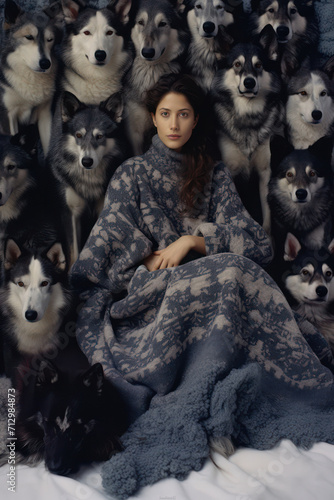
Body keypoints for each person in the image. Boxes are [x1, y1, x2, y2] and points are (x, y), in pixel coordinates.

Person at [69, 73, 334, 499]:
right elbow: (102, 250)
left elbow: (258, 245)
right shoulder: (131, 175)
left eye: (184, 114)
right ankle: (189, 396)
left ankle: (255, 387)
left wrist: (193, 240)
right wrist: (147, 254)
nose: (174, 124)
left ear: (195, 122)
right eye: (165, 114)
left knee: (234, 271)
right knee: (228, 270)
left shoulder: (214, 175)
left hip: (215, 286)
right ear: (153, 120)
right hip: (151, 297)